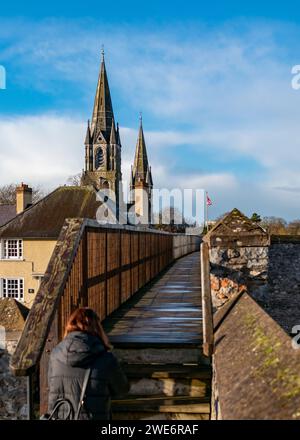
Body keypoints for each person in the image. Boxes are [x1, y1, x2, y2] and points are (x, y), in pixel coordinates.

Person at [47, 307, 129, 420]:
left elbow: (52, 387)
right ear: (97, 328)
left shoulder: (55, 355)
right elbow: (122, 389)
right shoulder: (106, 358)